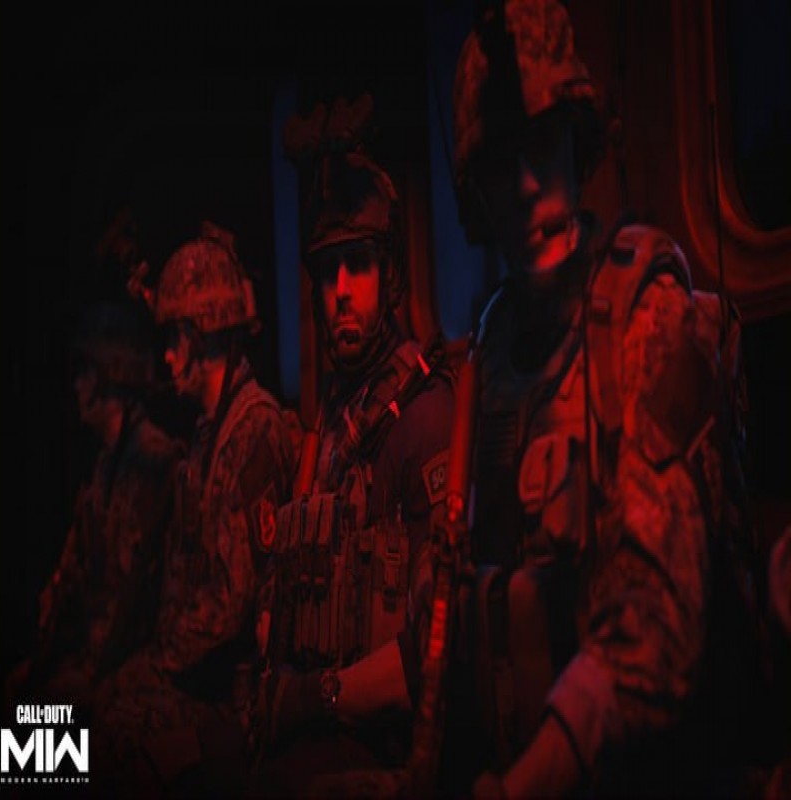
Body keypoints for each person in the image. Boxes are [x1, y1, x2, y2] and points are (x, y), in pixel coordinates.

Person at [443, 0, 762, 796]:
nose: (525, 186)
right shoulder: (492, 350)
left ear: (578, 145)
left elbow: (654, 626)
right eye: (500, 164)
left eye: (541, 146)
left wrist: (525, 784)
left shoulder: (645, 314)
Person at [241, 97, 455, 798]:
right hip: (315, 738)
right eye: (327, 271)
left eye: (357, 266)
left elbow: (435, 648)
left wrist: (315, 698)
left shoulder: (422, 419)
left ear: (388, 277)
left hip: (377, 752)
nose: (339, 291)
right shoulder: (331, 424)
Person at [94, 222, 295, 798]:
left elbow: (229, 605)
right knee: (64, 721)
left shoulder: (253, 430)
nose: (166, 355)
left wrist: (153, 663)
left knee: (95, 733)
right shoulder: (210, 434)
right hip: (198, 682)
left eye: (174, 338)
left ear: (200, 336)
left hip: (233, 702)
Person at [3, 300, 183, 720]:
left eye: (85, 372)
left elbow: (134, 602)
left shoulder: (152, 461)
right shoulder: (107, 464)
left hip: (128, 673)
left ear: (109, 374)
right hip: (97, 662)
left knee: (32, 724)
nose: (77, 385)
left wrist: (88, 682)